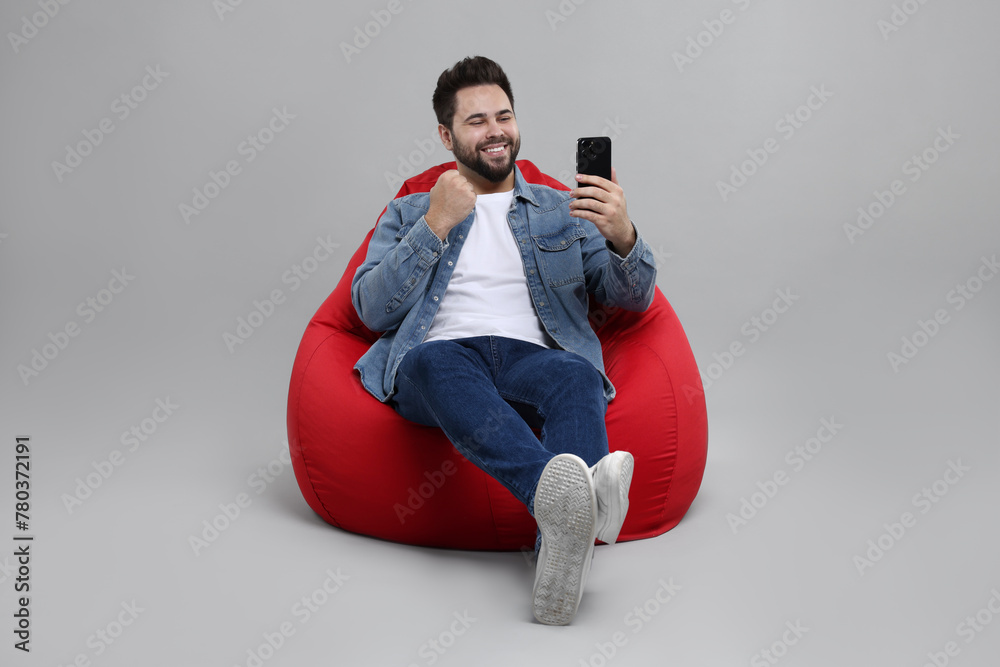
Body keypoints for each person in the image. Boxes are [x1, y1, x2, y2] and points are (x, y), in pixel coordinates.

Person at [351, 56, 657, 625]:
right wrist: (435, 224)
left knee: (577, 374)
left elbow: (630, 298)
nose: (495, 130)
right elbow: (369, 308)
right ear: (447, 135)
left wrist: (622, 235)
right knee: (438, 360)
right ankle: (578, 500)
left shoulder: (561, 209)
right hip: (438, 365)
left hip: (529, 361)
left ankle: (559, 557)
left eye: (504, 115)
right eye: (476, 121)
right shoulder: (410, 209)